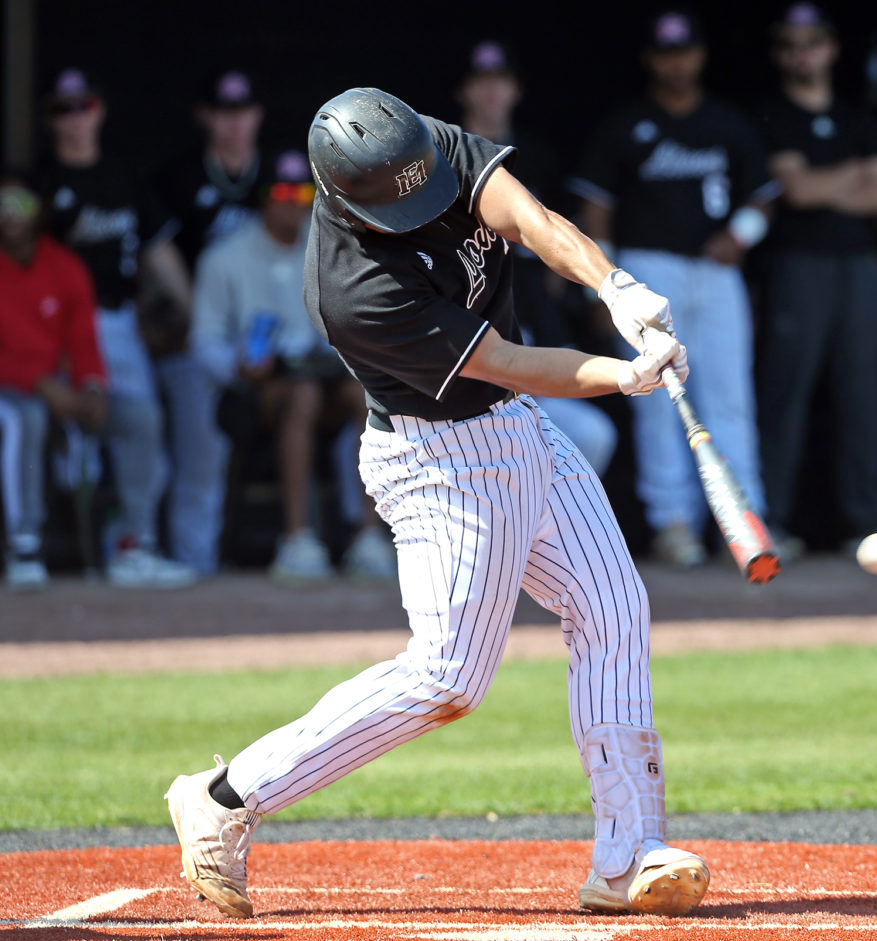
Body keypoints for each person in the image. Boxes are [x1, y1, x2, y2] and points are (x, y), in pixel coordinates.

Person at [166, 87, 709, 920]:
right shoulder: (354, 293)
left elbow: (528, 219)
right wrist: (622, 374)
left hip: (516, 431)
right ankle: (228, 797)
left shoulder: (415, 144)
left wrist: (615, 285)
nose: (422, 206)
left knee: (613, 606)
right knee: (447, 676)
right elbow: (508, 363)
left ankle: (628, 852)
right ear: (342, 194)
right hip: (442, 459)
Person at [572, 9, 772, 567]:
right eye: (666, 54)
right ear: (650, 60)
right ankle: (674, 524)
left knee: (730, 397)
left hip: (716, 269)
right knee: (658, 397)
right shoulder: (626, 125)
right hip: (646, 270)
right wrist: (602, 289)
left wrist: (741, 234)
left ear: (700, 55)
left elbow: (762, 196)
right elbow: (596, 209)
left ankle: (745, 522)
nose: (676, 63)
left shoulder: (727, 123)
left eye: (684, 52)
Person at [191, 150, 396, 582]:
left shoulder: (331, 243)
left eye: (303, 192)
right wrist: (239, 365)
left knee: (368, 396)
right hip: (253, 392)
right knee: (301, 396)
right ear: (263, 197)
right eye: (282, 192)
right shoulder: (225, 255)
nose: (293, 202)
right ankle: (297, 538)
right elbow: (204, 342)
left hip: (325, 379)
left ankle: (368, 537)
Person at [35, 69, 197, 588]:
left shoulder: (124, 176)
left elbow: (158, 253)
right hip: (56, 330)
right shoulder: (42, 185)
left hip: (119, 324)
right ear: (49, 119)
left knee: (144, 426)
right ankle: (47, 550)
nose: (76, 118)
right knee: (69, 451)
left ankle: (133, 543)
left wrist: (187, 309)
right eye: (64, 109)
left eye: (84, 106)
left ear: (99, 110)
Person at [756, 3, 877, 557]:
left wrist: (827, 182)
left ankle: (867, 518)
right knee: (788, 389)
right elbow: (797, 192)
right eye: (791, 45)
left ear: (832, 48)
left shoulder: (857, 114)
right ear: (779, 54)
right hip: (800, 265)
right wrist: (851, 178)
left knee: (864, 389)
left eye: (812, 42)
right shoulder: (776, 113)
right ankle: (774, 522)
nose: (803, 54)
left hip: (860, 266)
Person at [456, 39, 618, 477]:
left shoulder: (536, 157)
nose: (491, 92)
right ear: (463, 91)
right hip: (460, 341)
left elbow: (560, 245)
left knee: (590, 433)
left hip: (527, 322)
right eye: (480, 81)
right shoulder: (441, 162)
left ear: (516, 90)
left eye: (500, 81)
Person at [152, 68, 269, 574]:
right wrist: (197, 311)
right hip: (203, 335)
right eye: (224, 114)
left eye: (242, 113)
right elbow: (155, 250)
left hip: (271, 337)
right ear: (206, 118)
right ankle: (194, 563)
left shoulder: (280, 179)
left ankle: (312, 544)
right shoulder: (181, 177)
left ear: (257, 115)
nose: (234, 125)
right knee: (201, 449)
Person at [0, 172, 106, 589]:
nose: (11, 215)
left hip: (54, 388)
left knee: (139, 419)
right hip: (18, 391)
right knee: (24, 418)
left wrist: (93, 386)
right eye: (1, 205)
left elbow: (83, 340)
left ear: (39, 210)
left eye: (21, 204)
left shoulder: (64, 265)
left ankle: (135, 543)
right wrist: (40, 384)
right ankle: (25, 542)